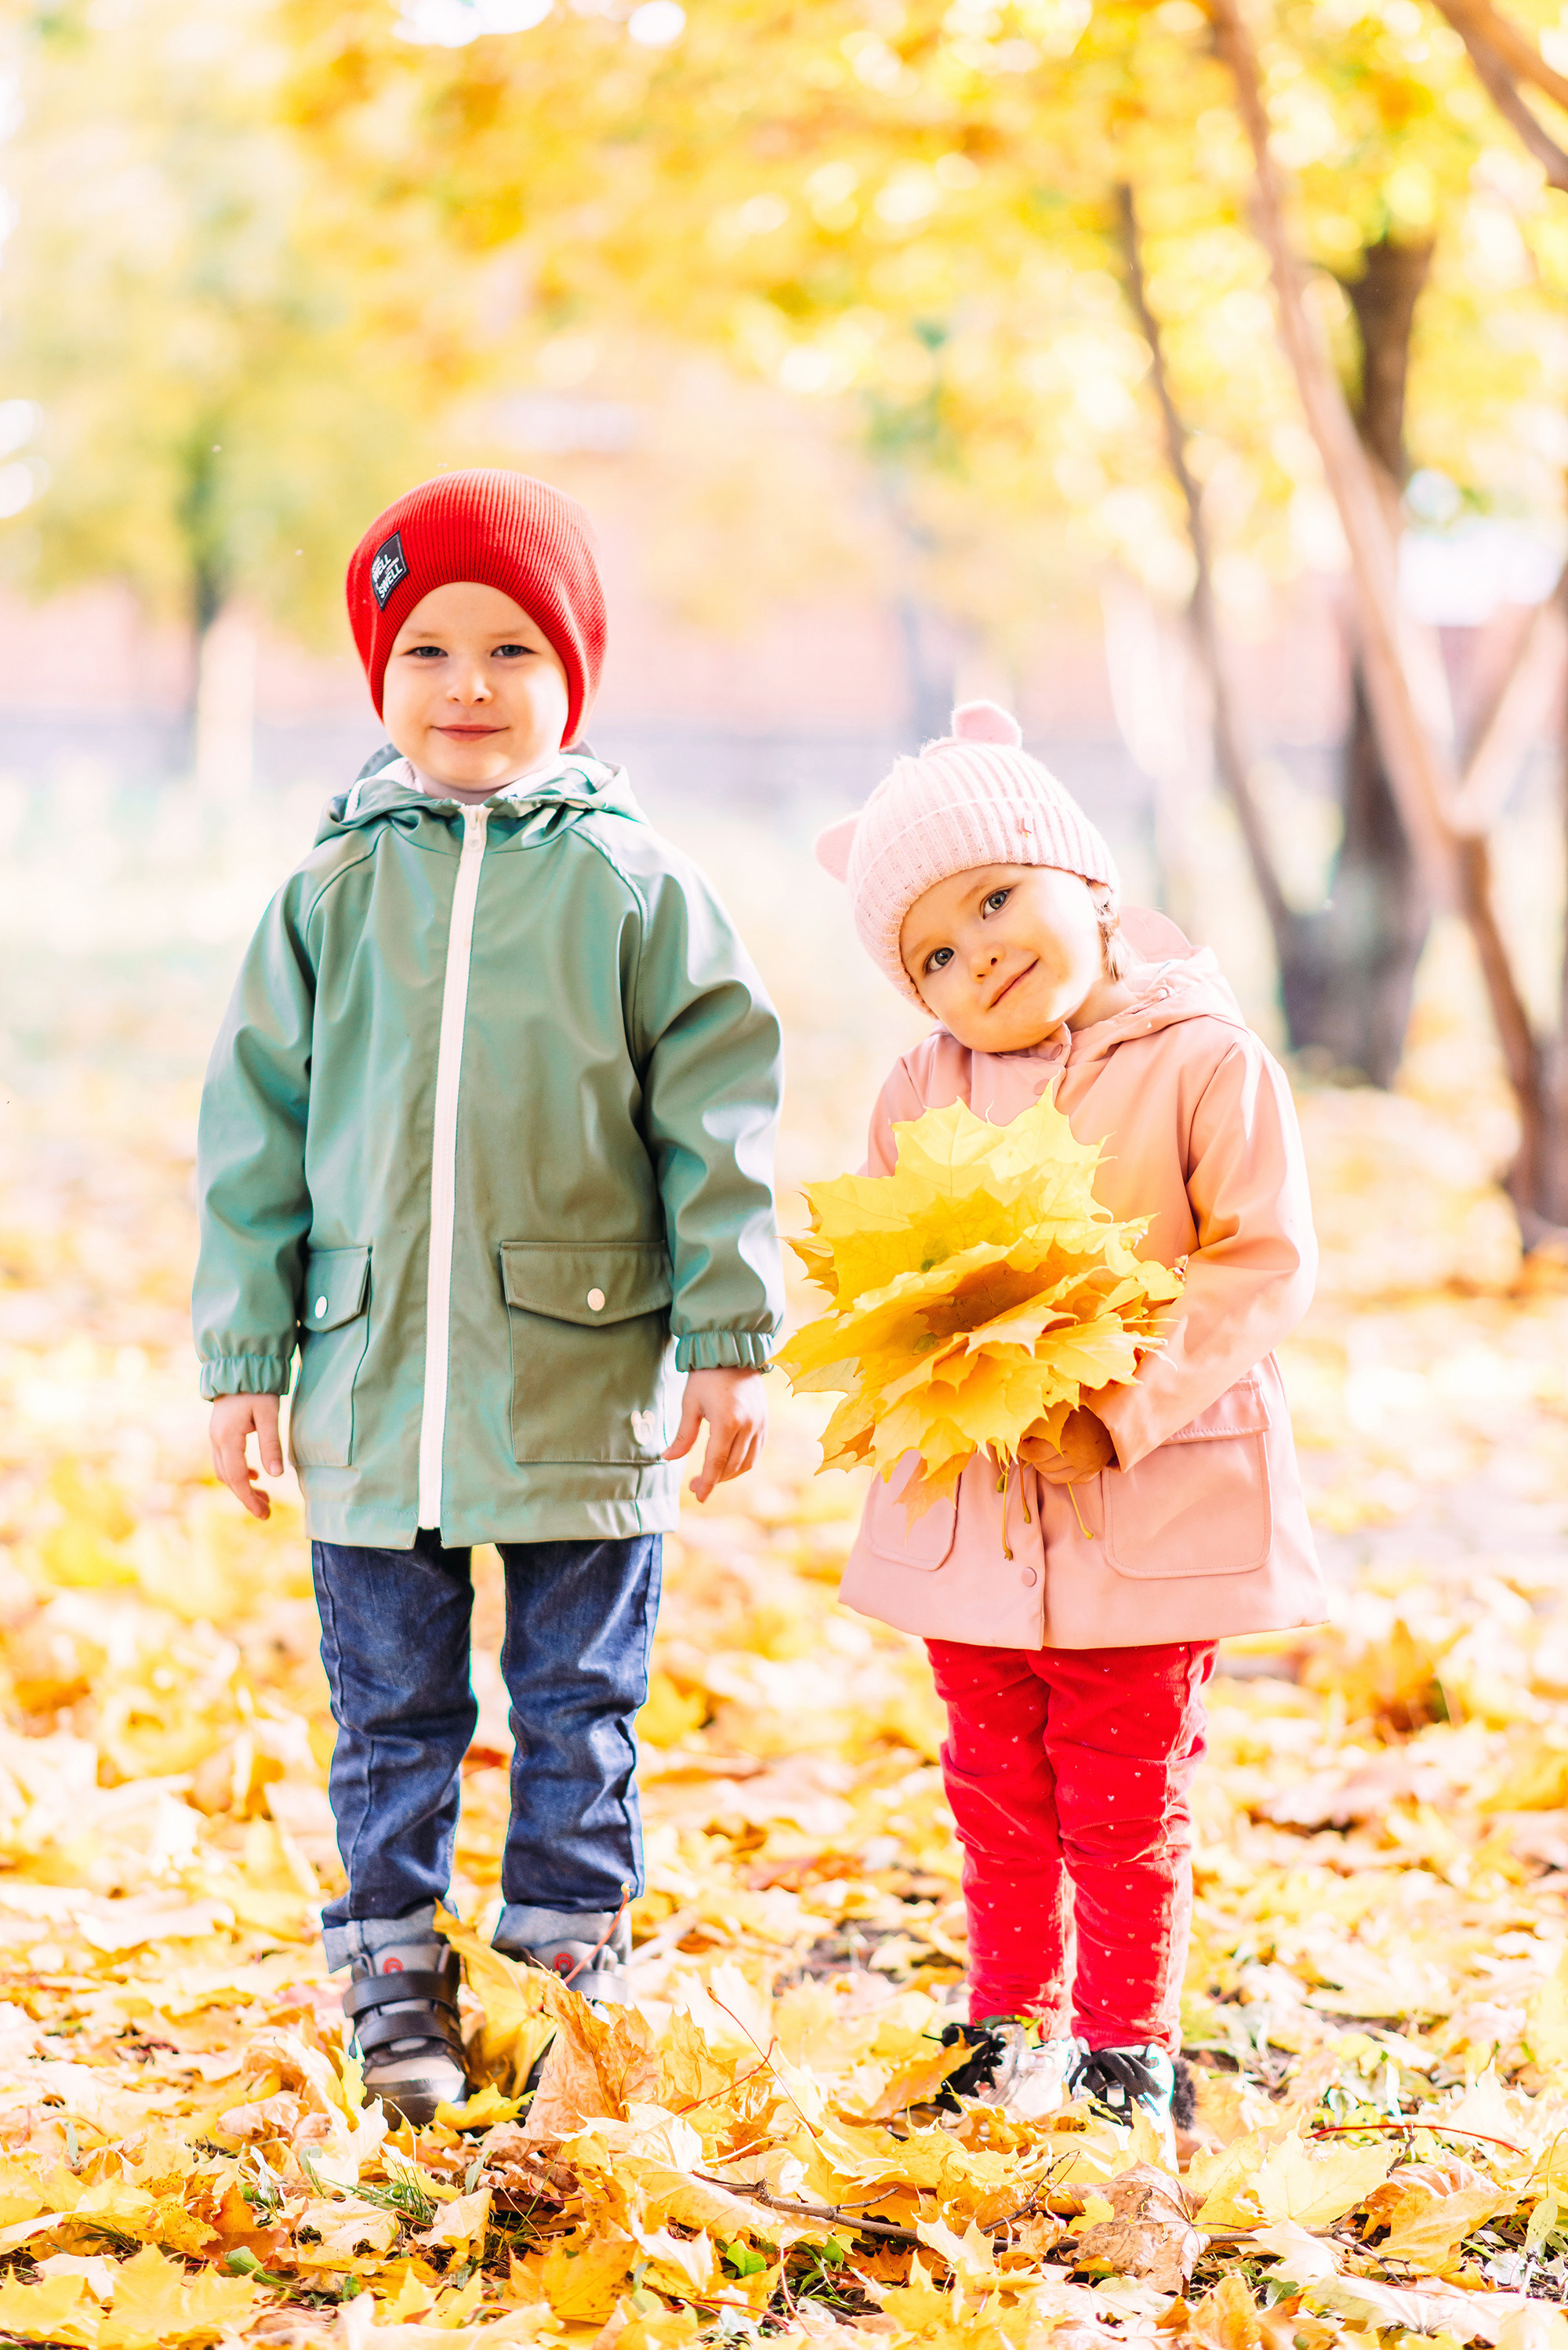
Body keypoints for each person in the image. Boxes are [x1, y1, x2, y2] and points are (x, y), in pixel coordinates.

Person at [194, 470, 783, 2123]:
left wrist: (731, 1335)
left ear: (573, 674)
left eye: (514, 648)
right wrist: (246, 1354)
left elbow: (715, 1119)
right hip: (372, 1370)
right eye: (431, 646)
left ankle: (563, 1965)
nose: (469, 682)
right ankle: (394, 1971)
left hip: (578, 1369)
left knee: (580, 1698)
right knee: (390, 1709)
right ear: (379, 675)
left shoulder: (631, 885)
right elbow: (254, 1130)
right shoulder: (328, 892)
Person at [812, 699, 1324, 2156]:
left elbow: (1259, 1261)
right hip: (977, 1509)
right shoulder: (922, 1088)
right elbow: (886, 1270)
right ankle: (1009, 2009)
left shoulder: (1207, 1063)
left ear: (1084, 881)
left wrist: (1126, 1403)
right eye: (934, 954)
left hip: (1141, 1502)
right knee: (993, 1769)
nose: (979, 954)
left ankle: (1123, 2037)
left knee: (1121, 1778)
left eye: (993, 900)